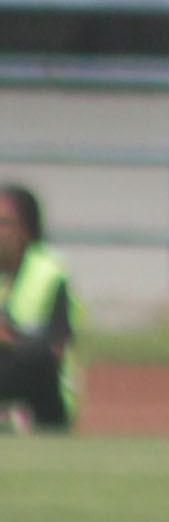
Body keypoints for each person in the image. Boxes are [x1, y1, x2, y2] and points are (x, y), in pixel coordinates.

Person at [1, 183, 81, 434]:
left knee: (36, 355)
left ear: (25, 230)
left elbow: (57, 348)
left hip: (45, 388)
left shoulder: (50, 273)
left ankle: (19, 417)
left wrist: (12, 338)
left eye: (4, 222)